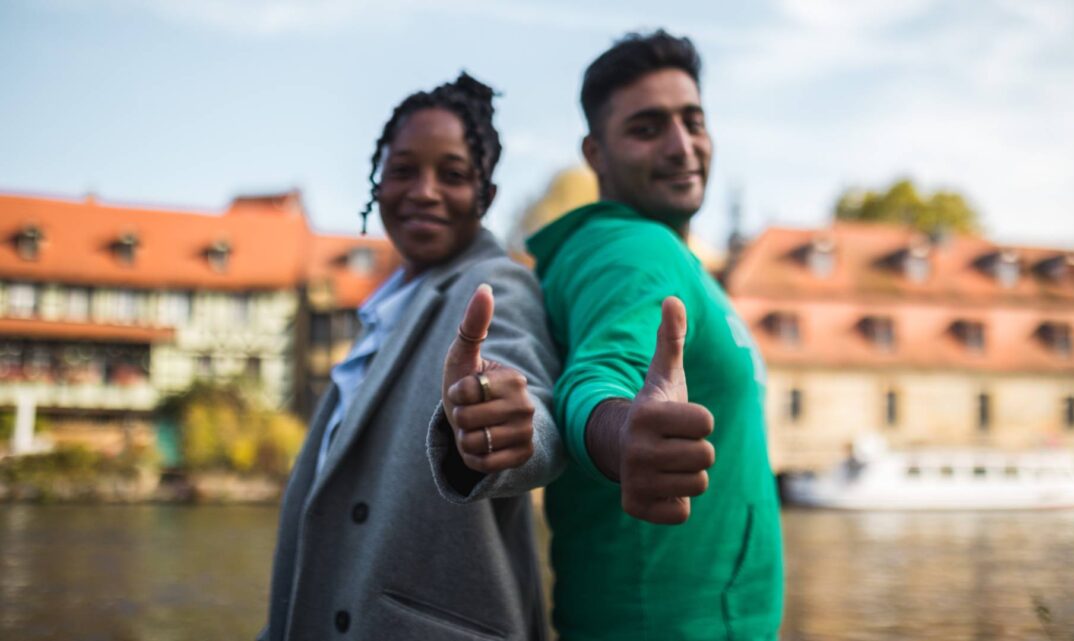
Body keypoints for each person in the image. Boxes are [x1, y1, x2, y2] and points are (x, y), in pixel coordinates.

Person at [258, 73, 564, 641]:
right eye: (403, 170)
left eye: (452, 175)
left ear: (486, 196)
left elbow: (530, 402)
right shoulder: (387, 308)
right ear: (379, 181)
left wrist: (505, 430)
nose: (423, 191)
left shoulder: (496, 284)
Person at [529, 30, 783, 639]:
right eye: (647, 129)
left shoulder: (668, 252)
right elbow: (597, 375)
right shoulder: (634, 250)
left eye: (693, 121)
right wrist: (622, 434)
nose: (682, 146)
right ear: (596, 154)